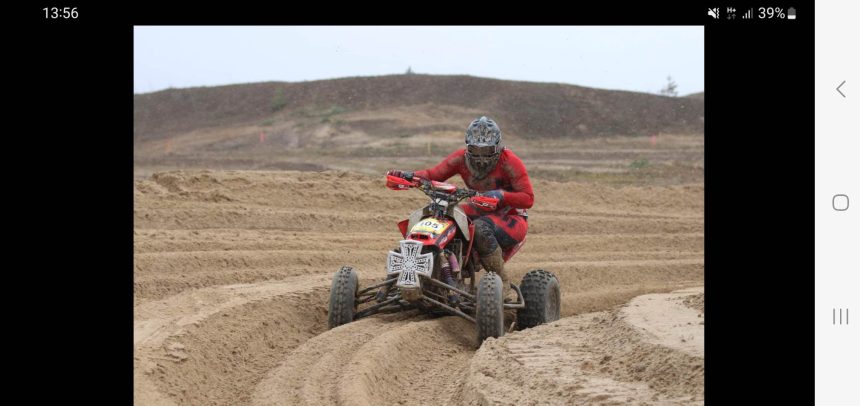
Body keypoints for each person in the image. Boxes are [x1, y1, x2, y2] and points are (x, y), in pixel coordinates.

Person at [387, 116, 534, 301]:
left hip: (511, 217)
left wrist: (501, 196)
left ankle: (501, 284)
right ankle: (431, 265)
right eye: (475, 149)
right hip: (479, 208)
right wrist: (408, 176)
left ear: (497, 147)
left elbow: (528, 198)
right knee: (441, 215)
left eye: (487, 150)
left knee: (480, 228)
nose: (481, 156)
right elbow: (434, 175)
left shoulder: (510, 162)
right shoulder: (461, 158)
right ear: (467, 146)